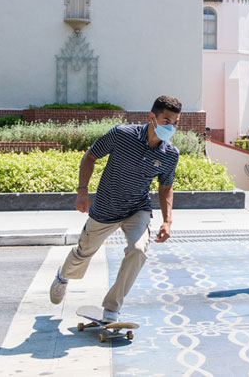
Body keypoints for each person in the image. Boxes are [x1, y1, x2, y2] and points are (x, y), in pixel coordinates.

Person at [49, 96, 182, 322]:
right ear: (152, 118)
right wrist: (82, 191)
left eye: (175, 122)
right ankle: (64, 276)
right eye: (167, 120)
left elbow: (165, 187)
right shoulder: (122, 135)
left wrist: (167, 220)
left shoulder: (170, 154)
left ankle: (112, 307)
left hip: (137, 209)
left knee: (138, 250)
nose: (171, 127)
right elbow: (90, 156)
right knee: (84, 252)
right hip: (106, 207)